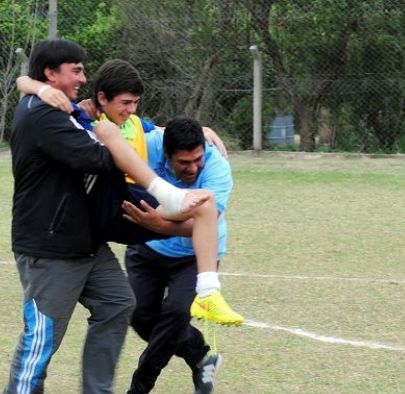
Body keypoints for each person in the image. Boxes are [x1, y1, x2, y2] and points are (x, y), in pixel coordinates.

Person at [0, 39, 211, 394]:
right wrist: (115, 143)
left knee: (118, 302)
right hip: (50, 246)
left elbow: (119, 140)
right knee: (45, 330)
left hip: (85, 242)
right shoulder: (43, 115)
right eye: (75, 70)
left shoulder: (60, 108)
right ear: (51, 74)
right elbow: (97, 157)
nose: (83, 76)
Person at [17, 60, 243, 326]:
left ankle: (208, 292)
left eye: (135, 102)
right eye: (125, 102)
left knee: (206, 204)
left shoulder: (136, 123)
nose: (131, 109)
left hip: (136, 199)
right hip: (109, 201)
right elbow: (23, 84)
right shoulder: (86, 116)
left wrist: (199, 130)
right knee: (107, 131)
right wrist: (39, 88)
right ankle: (165, 195)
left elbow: (163, 132)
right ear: (102, 98)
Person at [119, 117, 232, 394]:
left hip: (195, 255)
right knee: (140, 316)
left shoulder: (217, 167)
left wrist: (157, 222)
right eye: (184, 162)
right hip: (146, 249)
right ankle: (198, 354)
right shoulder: (151, 145)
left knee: (176, 314)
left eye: (197, 160)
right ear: (166, 153)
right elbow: (128, 127)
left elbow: (200, 223)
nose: (193, 168)